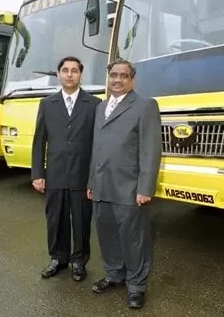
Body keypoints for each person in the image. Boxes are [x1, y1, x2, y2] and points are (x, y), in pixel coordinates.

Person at [87, 59, 162, 309]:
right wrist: (91, 182)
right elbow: (96, 148)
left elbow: (150, 151)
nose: (118, 80)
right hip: (101, 185)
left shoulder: (145, 106)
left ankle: (137, 286)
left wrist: (145, 188)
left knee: (134, 239)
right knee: (107, 235)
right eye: (114, 75)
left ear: (132, 80)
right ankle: (114, 275)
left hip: (129, 188)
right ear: (108, 77)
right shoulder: (101, 107)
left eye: (124, 76)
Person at [31, 56, 101, 281]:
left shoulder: (94, 104)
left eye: (74, 70)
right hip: (55, 174)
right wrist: (38, 174)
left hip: (82, 175)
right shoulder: (47, 104)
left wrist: (94, 177)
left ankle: (79, 261)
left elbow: (99, 143)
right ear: (59, 74)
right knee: (56, 218)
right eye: (65, 70)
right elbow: (39, 140)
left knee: (81, 221)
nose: (70, 74)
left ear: (81, 74)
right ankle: (58, 258)